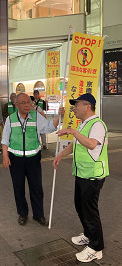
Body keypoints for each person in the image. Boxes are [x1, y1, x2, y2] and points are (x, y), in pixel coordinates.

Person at [53, 93, 108, 263]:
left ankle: (96, 247)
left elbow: (91, 144)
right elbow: (75, 144)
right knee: (80, 206)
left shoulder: (97, 124)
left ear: (87, 106)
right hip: (82, 173)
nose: (74, 108)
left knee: (90, 211)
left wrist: (72, 131)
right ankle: (88, 235)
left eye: (76, 105)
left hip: (93, 175)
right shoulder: (85, 124)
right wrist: (61, 155)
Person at [2, 93, 64, 226]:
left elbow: (49, 127)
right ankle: (22, 214)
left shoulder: (36, 116)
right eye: (23, 103)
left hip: (33, 159)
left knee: (36, 188)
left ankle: (38, 215)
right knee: (18, 188)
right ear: (16, 104)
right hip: (15, 159)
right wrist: (5, 156)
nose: (27, 105)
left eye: (28, 102)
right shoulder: (10, 119)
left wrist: (59, 116)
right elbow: (5, 139)